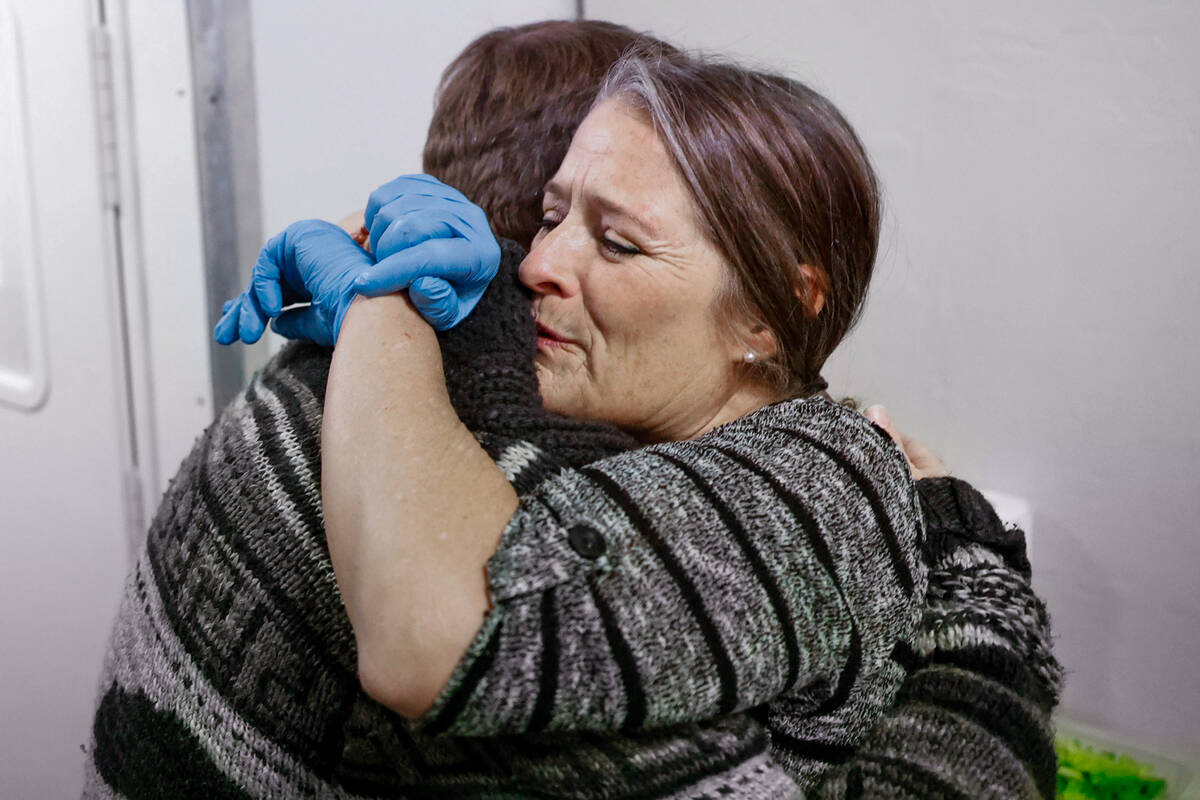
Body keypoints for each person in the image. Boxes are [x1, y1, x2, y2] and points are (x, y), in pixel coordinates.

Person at [85, 22, 1060, 800]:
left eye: (620, 242)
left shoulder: (824, 467)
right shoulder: (523, 470)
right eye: (551, 217)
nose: (541, 264)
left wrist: (969, 557)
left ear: (770, 309)